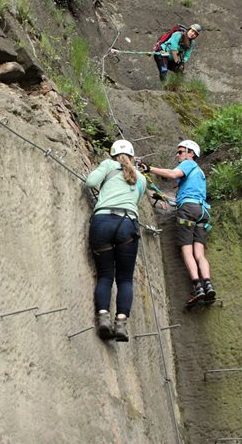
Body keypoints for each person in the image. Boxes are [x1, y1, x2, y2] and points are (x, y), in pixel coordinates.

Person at [137, 140, 216, 307]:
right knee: (199, 254)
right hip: (202, 213)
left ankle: (198, 287)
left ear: (191, 153)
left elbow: (172, 174)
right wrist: (162, 197)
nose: (178, 155)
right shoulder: (200, 174)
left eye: (181, 152)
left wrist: (149, 169)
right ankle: (208, 284)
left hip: (188, 210)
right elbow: (187, 197)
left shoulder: (188, 164)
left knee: (186, 251)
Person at [85, 139, 147, 342]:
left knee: (105, 275)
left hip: (102, 221)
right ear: (132, 155)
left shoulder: (108, 165)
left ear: (112, 154)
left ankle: (103, 318)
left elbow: (91, 182)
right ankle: (120, 323)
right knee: (125, 279)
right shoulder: (141, 178)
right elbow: (135, 201)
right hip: (127, 224)